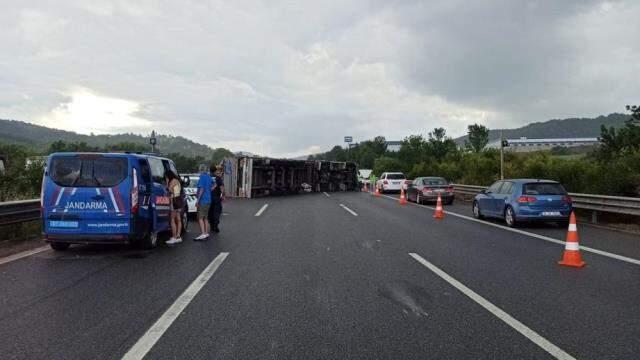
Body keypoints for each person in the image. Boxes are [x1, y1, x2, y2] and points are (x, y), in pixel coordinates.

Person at [165, 170, 183, 245]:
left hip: (174, 201)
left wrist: (167, 182)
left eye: (166, 176)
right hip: (179, 200)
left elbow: (169, 189)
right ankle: (178, 236)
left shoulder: (173, 181)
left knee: (172, 219)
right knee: (178, 219)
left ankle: (174, 237)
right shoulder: (177, 180)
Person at [195, 164, 212, 240]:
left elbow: (201, 189)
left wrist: (198, 200)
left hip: (203, 200)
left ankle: (203, 233)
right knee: (206, 218)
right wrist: (209, 190)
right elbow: (214, 185)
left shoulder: (202, 177)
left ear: (201, 170)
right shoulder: (209, 177)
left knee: (200, 218)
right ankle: (206, 233)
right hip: (208, 199)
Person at [208, 165, 225, 234]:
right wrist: (223, 195)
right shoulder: (218, 178)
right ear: (215, 170)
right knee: (217, 212)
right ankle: (215, 225)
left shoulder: (207, 178)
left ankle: (212, 226)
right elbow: (222, 188)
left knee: (210, 212)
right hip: (217, 198)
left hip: (208, 198)